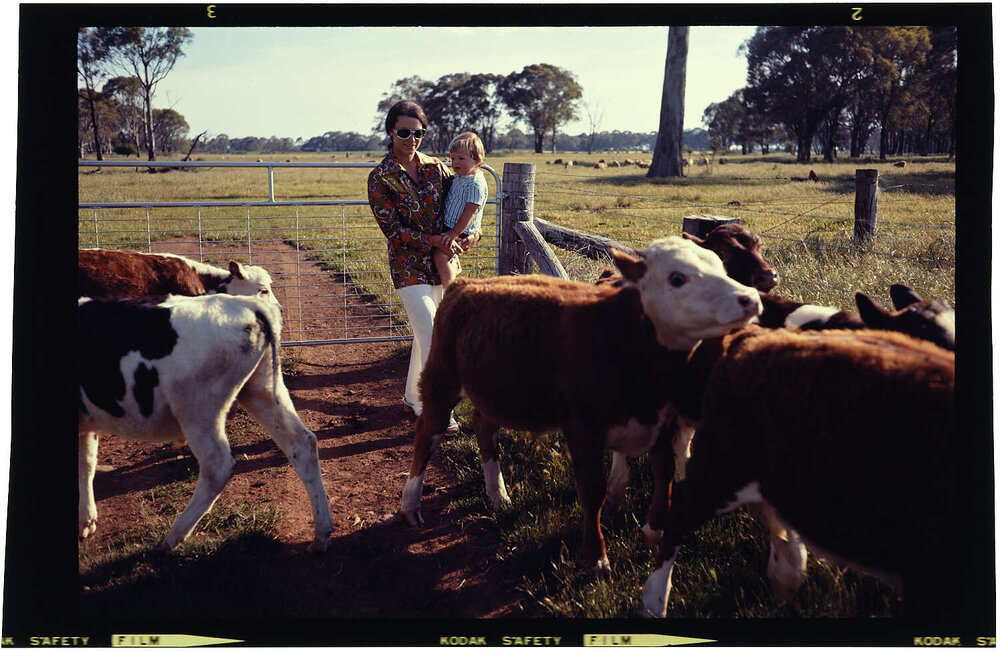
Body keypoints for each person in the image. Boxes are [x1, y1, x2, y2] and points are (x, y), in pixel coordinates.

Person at [367, 101, 480, 431]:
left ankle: (414, 399)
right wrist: (434, 241)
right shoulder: (380, 178)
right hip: (407, 266)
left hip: (444, 263)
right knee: (433, 333)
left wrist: (474, 234)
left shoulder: (439, 168)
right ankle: (439, 409)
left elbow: (463, 205)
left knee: (425, 334)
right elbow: (393, 231)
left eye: (418, 133)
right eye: (404, 132)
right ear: (391, 132)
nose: (411, 138)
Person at [434, 132, 488, 288]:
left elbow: (470, 211)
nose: (455, 163)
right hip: (450, 225)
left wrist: (454, 233)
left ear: (477, 160)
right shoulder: (460, 176)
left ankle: (450, 289)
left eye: (461, 158)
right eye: (452, 158)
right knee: (441, 253)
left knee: (440, 255)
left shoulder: (475, 183)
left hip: (459, 229)